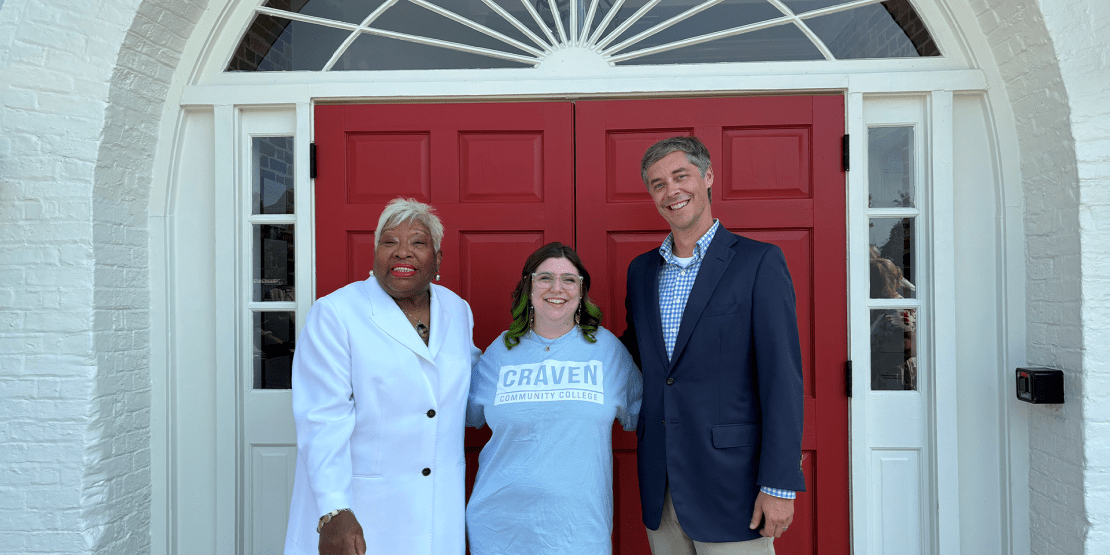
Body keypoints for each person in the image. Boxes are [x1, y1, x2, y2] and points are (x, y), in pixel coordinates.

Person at [621, 137, 805, 555]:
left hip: (734, 488)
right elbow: (635, 356)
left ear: (707, 177)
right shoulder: (642, 271)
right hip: (661, 485)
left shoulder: (758, 262)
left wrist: (779, 483)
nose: (671, 191)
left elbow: (781, 377)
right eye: (657, 184)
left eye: (680, 176)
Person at [284, 198, 480, 555]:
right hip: (363, 508)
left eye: (417, 243)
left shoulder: (456, 309)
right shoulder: (336, 313)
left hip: (438, 508)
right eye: (389, 242)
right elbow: (321, 419)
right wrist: (333, 510)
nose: (402, 252)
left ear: (437, 259)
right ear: (375, 254)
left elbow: (470, 379)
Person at [465, 242, 643, 555]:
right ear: (528, 287)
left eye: (569, 279)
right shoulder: (501, 351)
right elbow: (460, 413)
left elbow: (646, 417)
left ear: (581, 290)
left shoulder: (607, 349)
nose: (557, 288)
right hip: (499, 528)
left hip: (579, 532)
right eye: (545, 277)